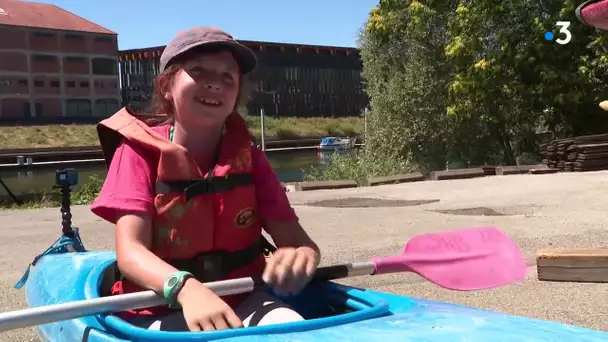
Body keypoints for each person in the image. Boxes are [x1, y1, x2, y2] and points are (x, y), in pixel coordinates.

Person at [90, 26, 321, 332]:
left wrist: (301, 255)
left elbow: (300, 244)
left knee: (292, 328)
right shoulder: (136, 153)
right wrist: (186, 289)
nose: (215, 83)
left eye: (228, 76)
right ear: (166, 86)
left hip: (243, 301)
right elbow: (130, 252)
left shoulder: (250, 159)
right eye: (198, 71)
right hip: (158, 306)